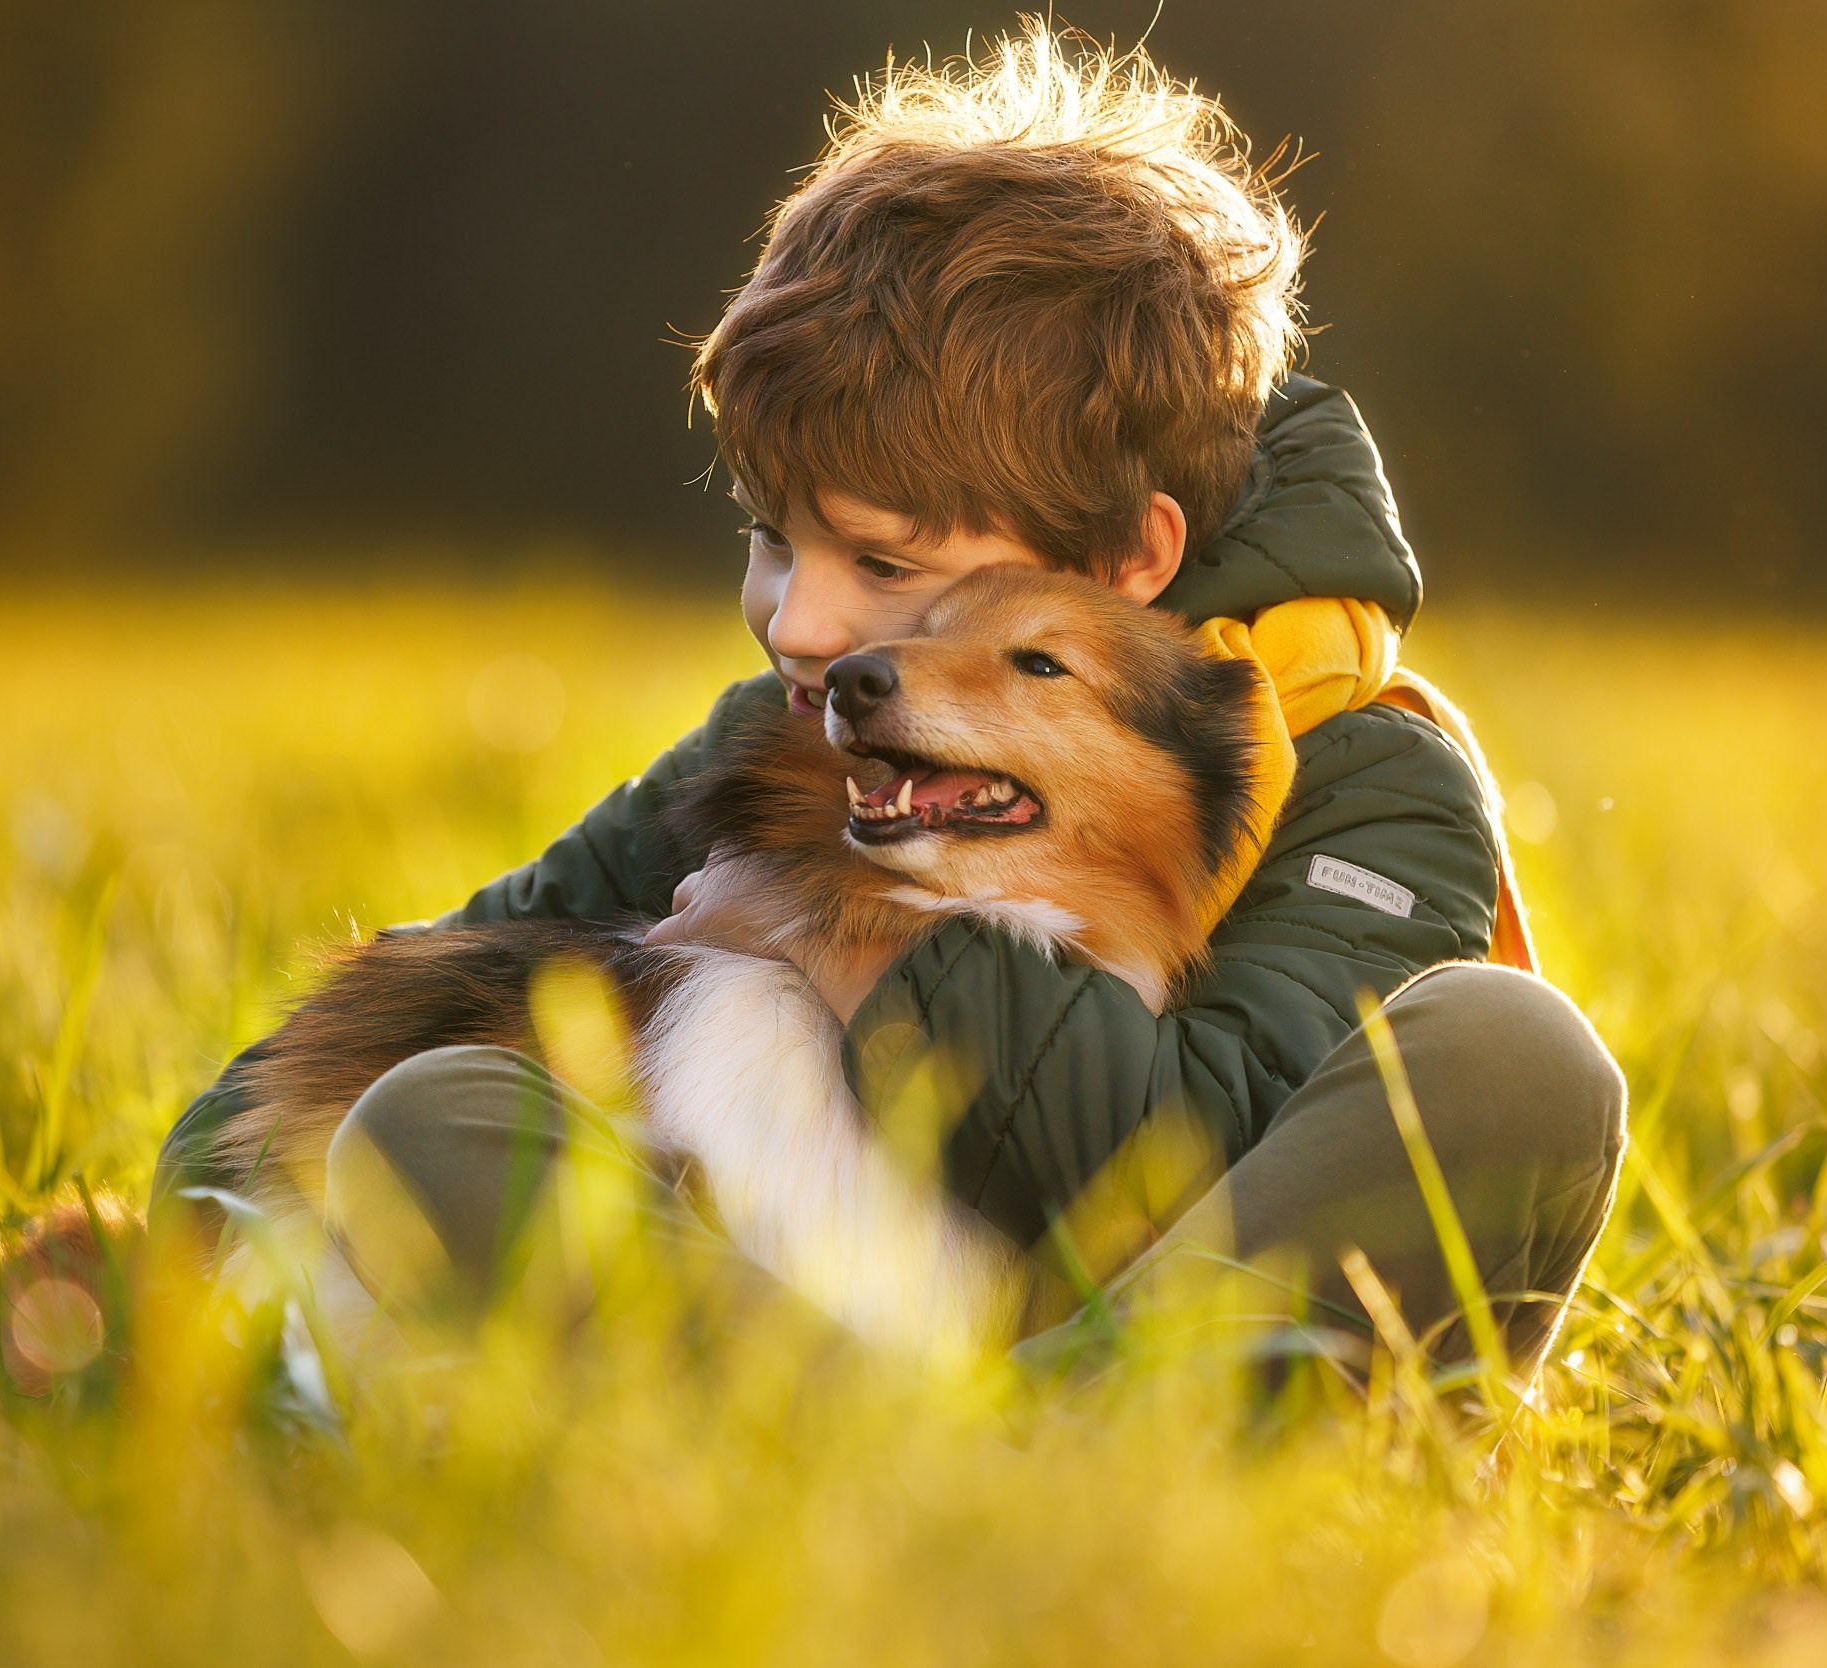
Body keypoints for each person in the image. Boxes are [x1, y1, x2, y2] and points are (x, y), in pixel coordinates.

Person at [156, 25, 1625, 1374]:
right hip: (856, 1323)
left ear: (1124, 562)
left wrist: (846, 942)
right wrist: (210, 1223)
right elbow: (294, 1078)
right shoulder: (796, 744)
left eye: (883, 560)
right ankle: (963, 1457)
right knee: (430, 1120)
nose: (798, 624)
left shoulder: (1372, 779)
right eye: (769, 538)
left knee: (1517, 1058)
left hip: (1178, 1317)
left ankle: (1033, 1450)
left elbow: (1167, 1164)